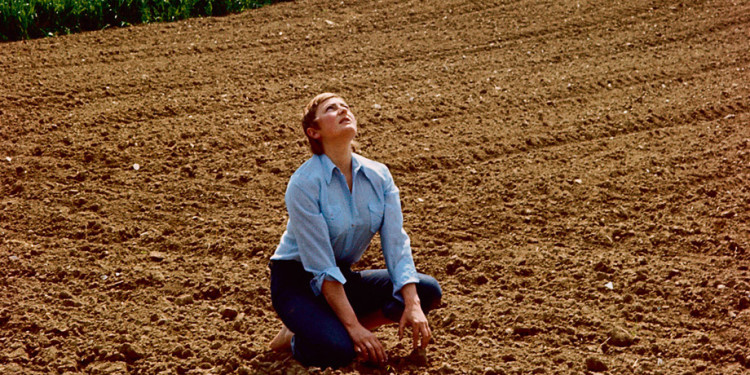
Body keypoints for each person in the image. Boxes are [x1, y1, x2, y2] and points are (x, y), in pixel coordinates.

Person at [267, 93, 442, 369]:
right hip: (297, 282)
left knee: (427, 290)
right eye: (331, 108)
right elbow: (322, 267)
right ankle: (294, 337)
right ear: (314, 132)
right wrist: (354, 329)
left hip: (341, 277)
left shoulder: (379, 175)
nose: (342, 110)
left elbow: (396, 244)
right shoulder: (304, 183)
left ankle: (331, 324)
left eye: (345, 106)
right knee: (339, 351)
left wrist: (413, 304)